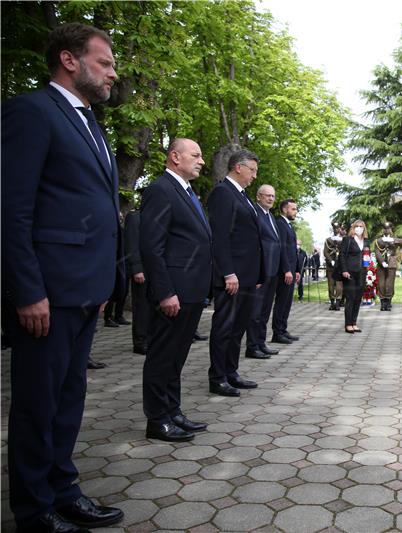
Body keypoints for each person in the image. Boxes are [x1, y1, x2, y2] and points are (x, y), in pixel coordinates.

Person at [1, 22, 124, 531]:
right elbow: (11, 210)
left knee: (69, 399)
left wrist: (99, 288)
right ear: (70, 61)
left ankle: (62, 488)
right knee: (37, 403)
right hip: (46, 292)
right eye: (105, 63)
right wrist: (27, 291)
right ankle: (33, 509)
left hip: (83, 290)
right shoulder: (32, 112)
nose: (113, 73)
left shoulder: (91, 123)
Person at [140, 138, 212, 442]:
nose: (201, 161)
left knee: (177, 356)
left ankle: (173, 411)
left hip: (192, 291)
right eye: (195, 155)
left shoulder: (186, 191)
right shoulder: (160, 190)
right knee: (162, 356)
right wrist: (165, 292)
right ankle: (157, 419)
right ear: (174, 157)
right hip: (174, 293)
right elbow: (152, 247)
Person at [207, 150, 265, 397]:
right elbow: (219, 237)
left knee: (238, 327)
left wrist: (258, 275)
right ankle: (217, 377)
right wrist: (228, 272)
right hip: (233, 277)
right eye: (252, 170)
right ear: (238, 168)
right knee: (224, 327)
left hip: (247, 277)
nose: (254, 176)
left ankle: (231, 371)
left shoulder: (243, 197)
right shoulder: (223, 193)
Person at [244, 184, 282, 360]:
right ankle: (252, 346)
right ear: (258, 196)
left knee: (265, 309)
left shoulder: (271, 217)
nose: (270, 199)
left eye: (273, 196)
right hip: (261, 269)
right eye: (267, 195)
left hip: (272, 270)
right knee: (255, 311)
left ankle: (260, 342)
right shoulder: (255, 213)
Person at [272, 199, 302, 344]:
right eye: (293, 209)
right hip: (284, 272)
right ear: (285, 209)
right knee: (281, 302)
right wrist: (286, 270)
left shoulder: (289, 226)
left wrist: (296, 269)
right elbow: (282, 249)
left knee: (287, 302)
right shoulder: (280, 224)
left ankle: (283, 329)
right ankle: (277, 333)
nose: (296, 212)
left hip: (291, 270)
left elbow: (293, 251)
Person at [124, 209, 151, 355]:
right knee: (141, 306)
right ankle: (140, 342)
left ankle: (150, 338)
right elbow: (131, 245)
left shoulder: (155, 217)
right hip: (142, 269)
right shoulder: (135, 217)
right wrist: (136, 268)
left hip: (156, 270)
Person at [336, 220, 370, 332]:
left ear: (364, 228)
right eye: (357, 226)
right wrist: (344, 270)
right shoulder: (347, 240)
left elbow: (367, 255)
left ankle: (354, 322)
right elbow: (342, 256)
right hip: (349, 273)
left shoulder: (366, 241)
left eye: (361, 226)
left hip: (361, 273)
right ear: (353, 228)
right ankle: (348, 324)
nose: (359, 228)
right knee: (350, 298)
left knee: (357, 299)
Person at [374, 221, 402, 311]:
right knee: (381, 284)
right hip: (381, 265)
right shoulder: (379, 241)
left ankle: (388, 302)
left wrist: (393, 240)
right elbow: (377, 252)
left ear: (391, 230)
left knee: (390, 284)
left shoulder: (394, 240)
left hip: (391, 263)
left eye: (389, 229)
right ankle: (382, 303)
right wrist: (382, 262)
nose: (387, 230)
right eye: (385, 229)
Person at [324, 222, 345, 310]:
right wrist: (331, 261)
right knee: (331, 284)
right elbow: (325, 252)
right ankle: (332, 302)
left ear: (340, 229)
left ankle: (338, 302)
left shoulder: (343, 239)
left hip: (340, 266)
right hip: (331, 266)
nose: (336, 230)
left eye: (338, 228)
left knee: (339, 284)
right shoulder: (328, 240)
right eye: (334, 228)